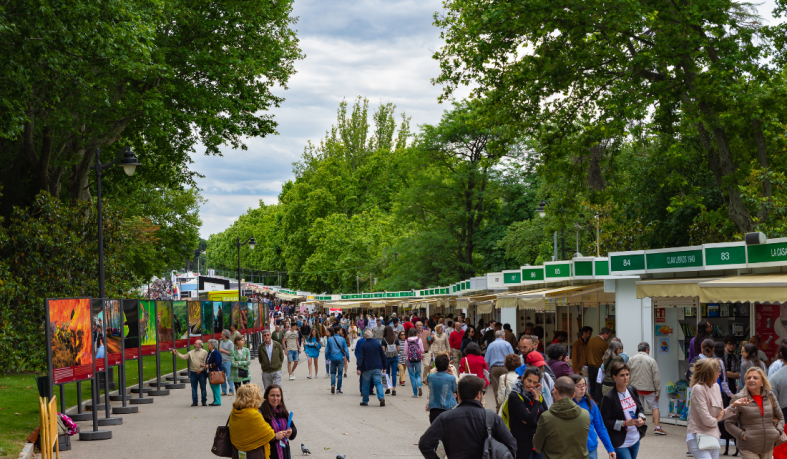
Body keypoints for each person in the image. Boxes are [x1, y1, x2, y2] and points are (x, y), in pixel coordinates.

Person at [418, 375, 517, 459]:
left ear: (459, 396)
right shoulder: (492, 418)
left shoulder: (445, 417)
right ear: (479, 395)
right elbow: (512, 445)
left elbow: (424, 444)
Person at [726, 366, 785, 459]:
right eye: (748, 378)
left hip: (768, 446)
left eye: (755, 378)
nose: (751, 380)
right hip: (748, 447)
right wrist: (743, 435)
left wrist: (777, 432)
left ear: (762, 382)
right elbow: (729, 423)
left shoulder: (770, 396)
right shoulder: (738, 398)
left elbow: (781, 418)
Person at [533, 376, 591, 459]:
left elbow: (538, 447)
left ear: (555, 390)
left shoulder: (546, 417)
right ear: (573, 394)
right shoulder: (585, 415)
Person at [600, 362, 645, 459]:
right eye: (622, 375)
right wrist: (624, 423)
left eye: (627, 374)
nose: (626, 378)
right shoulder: (608, 397)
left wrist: (641, 417)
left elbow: (640, 408)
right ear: (614, 377)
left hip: (635, 438)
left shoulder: (632, 390)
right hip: (620, 442)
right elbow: (605, 421)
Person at [570, 374, 615, 459]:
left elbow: (600, 428)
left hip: (590, 449)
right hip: (572, 450)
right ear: (570, 387)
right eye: (578, 386)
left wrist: (610, 448)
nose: (582, 388)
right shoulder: (566, 404)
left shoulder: (591, 404)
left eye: (584, 385)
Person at [228, 384, 276, 459]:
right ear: (253, 398)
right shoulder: (254, 415)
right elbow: (269, 435)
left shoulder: (234, 412)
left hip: (238, 453)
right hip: (254, 454)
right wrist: (277, 435)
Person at [627, 341, 665, 436]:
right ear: (647, 350)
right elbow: (656, 377)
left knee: (635, 407)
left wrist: (628, 388)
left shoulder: (631, 359)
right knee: (655, 407)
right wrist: (658, 391)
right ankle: (657, 427)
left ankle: (635, 426)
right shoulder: (651, 360)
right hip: (649, 389)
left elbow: (627, 373)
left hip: (634, 388)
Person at [508, 366, 544, 459]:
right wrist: (536, 400)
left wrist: (531, 420)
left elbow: (545, 416)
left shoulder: (538, 395)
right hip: (522, 444)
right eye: (529, 380)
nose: (531, 385)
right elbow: (530, 418)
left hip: (538, 443)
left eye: (535, 382)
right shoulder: (515, 395)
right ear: (523, 377)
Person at [259, 384, 296, 459]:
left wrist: (291, 431)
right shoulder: (261, 414)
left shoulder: (283, 411)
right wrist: (274, 436)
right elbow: (258, 436)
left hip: (284, 451)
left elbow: (293, 429)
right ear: (266, 397)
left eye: (278, 395)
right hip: (269, 454)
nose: (275, 398)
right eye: (272, 395)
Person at [486, 329, 516, 411]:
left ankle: (498, 406)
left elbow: (487, 360)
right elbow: (512, 357)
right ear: (503, 336)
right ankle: (506, 405)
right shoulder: (507, 344)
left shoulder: (491, 345)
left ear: (495, 337)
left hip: (494, 368)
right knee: (507, 387)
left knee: (496, 388)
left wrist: (488, 371)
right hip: (505, 368)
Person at [356, 329, 387, 407]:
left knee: (366, 385)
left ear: (364, 337)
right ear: (372, 336)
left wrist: (358, 368)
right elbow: (383, 355)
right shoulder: (377, 344)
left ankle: (365, 400)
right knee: (378, 383)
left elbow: (360, 358)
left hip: (366, 368)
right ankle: (381, 397)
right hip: (377, 367)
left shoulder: (363, 345)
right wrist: (384, 366)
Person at [172, 340, 209, 406]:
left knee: (203, 387)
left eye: (196, 344)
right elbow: (184, 357)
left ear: (200, 345)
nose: (194, 345)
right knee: (193, 388)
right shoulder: (191, 352)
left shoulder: (204, 352)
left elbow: (205, 362)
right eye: (194, 343)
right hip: (193, 372)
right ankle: (195, 401)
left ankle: (204, 401)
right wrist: (177, 353)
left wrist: (200, 369)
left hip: (201, 373)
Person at [426, 354, 458, 423]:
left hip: (433, 409)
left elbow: (430, 387)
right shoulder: (451, 378)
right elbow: (455, 389)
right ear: (447, 365)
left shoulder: (430, 377)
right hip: (447, 409)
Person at [587, 327, 613, 403]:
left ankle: (591, 401)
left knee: (592, 385)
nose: (609, 337)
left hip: (590, 367)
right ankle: (597, 403)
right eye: (609, 335)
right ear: (605, 333)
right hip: (599, 368)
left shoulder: (590, 341)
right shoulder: (604, 344)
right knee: (598, 387)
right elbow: (606, 357)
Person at [325, 325, 349, 394]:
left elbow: (327, 350)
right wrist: (348, 357)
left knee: (332, 372)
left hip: (332, 358)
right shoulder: (342, 339)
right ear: (338, 331)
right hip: (340, 358)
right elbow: (346, 349)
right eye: (341, 330)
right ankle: (338, 389)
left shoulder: (330, 339)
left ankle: (333, 384)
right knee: (340, 374)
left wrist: (327, 357)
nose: (342, 331)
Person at [405, 328, 425, 397]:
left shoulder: (407, 340)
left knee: (412, 376)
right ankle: (419, 385)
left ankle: (415, 393)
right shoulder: (419, 340)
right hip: (418, 359)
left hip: (409, 360)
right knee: (418, 374)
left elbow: (405, 352)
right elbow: (422, 350)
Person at [382, 326, 399, 396]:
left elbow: (383, 350)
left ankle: (388, 388)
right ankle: (394, 389)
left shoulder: (384, 340)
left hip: (387, 357)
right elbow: (398, 349)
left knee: (387, 373)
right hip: (395, 357)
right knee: (394, 373)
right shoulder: (396, 339)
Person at [205, 339, 223, 406]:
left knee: (216, 386)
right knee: (213, 386)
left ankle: (217, 401)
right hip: (211, 372)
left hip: (215, 372)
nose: (207, 345)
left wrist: (209, 366)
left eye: (209, 344)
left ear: (213, 345)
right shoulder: (210, 352)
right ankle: (215, 400)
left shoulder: (216, 352)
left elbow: (218, 362)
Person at [219, 330, 236, 396]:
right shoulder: (221, 342)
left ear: (225, 335)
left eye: (222, 334)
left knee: (229, 377)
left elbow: (231, 353)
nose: (221, 335)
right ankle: (224, 391)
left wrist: (223, 350)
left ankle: (231, 391)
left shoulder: (230, 343)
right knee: (222, 377)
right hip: (221, 362)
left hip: (227, 362)